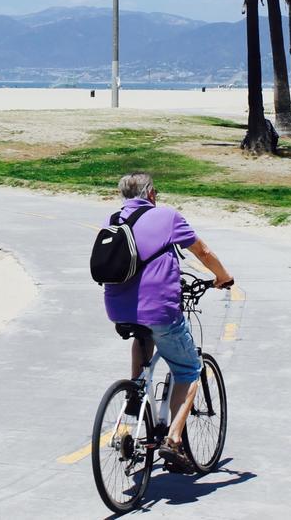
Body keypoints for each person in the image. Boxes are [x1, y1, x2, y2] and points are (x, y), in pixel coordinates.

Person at [103, 172, 234, 473]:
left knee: (143, 337)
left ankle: (133, 405)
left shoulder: (114, 220)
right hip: (159, 309)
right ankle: (173, 439)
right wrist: (223, 277)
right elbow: (202, 252)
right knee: (189, 367)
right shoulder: (167, 216)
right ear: (151, 194)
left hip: (118, 309)